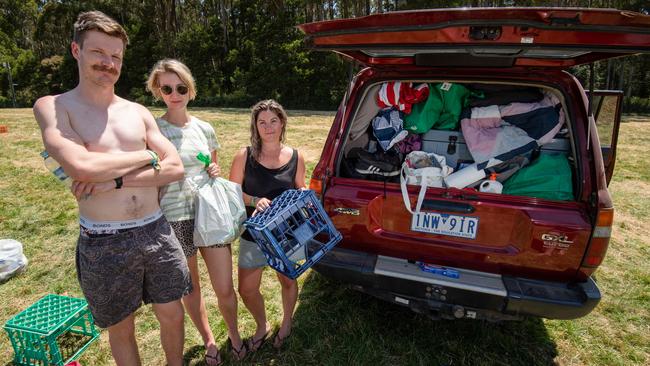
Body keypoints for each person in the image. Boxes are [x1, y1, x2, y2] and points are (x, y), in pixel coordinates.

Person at [33, 11, 190, 366]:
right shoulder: (55, 106)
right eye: (98, 53)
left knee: (173, 314)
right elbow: (81, 166)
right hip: (105, 240)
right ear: (76, 50)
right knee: (121, 329)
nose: (108, 63)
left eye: (116, 56)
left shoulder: (137, 112)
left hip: (156, 230)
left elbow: (175, 167)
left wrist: (114, 179)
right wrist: (148, 156)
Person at [145, 59, 245, 364]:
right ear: (157, 91)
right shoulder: (152, 129)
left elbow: (210, 166)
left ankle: (235, 335)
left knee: (225, 287)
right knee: (191, 288)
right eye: (167, 88)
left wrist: (213, 168)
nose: (175, 93)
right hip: (174, 220)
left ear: (190, 90)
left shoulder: (205, 128)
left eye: (181, 87)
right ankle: (209, 340)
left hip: (209, 213)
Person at [229, 99, 306, 351]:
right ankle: (261, 326)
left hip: (287, 233)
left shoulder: (295, 156)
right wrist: (253, 200)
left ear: (282, 122)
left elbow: (300, 186)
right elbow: (231, 192)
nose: (268, 126)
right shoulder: (245, 155)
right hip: (254, 234)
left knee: (287, 281)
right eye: (262, 122)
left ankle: (286, 323)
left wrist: (305, 193)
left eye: (273, 120)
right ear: (255, 126)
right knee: (247, 289)